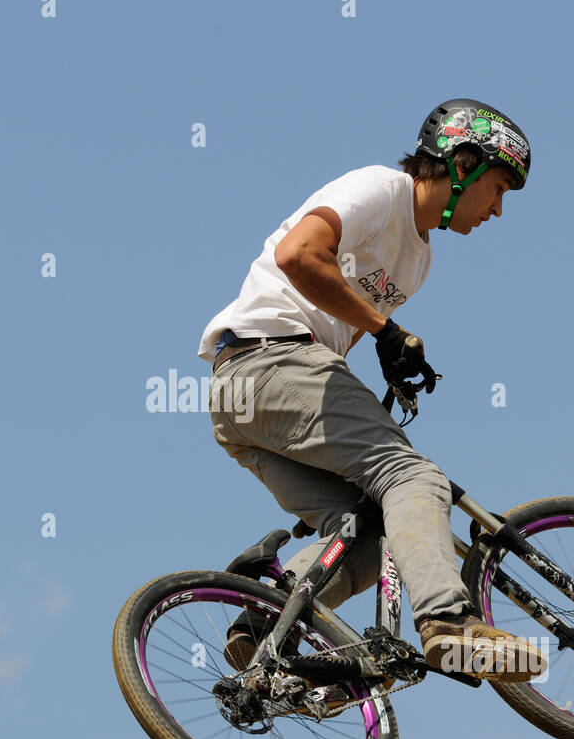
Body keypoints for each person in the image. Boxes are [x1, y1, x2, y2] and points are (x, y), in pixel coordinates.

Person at [198, 98, 546, 682]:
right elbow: (297, 255)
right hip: (268, 359)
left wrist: (386, 360)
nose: (500, 209)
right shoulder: (381, 188)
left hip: (252, 402)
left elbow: (339, 325)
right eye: (499, 186)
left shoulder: (418, 261)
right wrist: (387, 331)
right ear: (461, 164)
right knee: (414, 478)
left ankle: (263, 627)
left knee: (365, 537)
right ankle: (449, 623)